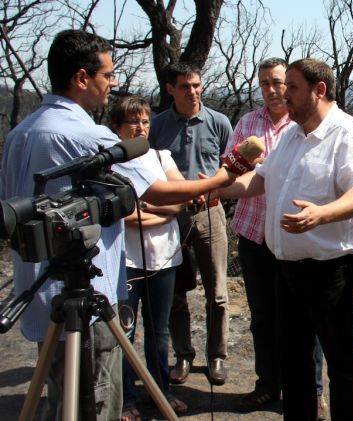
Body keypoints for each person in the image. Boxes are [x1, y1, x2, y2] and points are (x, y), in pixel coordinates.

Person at [0, 30, 235, 421]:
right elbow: (160, 192)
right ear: (81, 78)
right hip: (83, 299)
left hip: (40, 293)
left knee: (59, 395)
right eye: (106, 75)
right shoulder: (85, 135)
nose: (111, 83)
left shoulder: (20, 133)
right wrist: (224, 178)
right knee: (95, 397)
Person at [218, 58, 353, 421]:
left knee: (340, 362)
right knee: (294, 360)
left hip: (330, 271)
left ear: (319, 90)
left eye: (292, 87)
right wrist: (216, 188)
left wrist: (320, 214)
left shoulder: (349, 135)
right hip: (285, 268)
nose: (283, 95)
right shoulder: (292, 135)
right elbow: (260, 181)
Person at [228, 57, 329, 418]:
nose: (273, 90)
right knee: (262, 318)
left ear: (290, 85)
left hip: (293, 238)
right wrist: (215, 186)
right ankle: (268, 384)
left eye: (279, 82)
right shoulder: (247, 123)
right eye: (265, 84)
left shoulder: (303, 123)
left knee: (305, 319)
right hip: (255, 236)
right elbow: (233, 170)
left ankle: (312, 391)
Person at [148, 62, 233, 386]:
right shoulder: (156, 127)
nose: (193, 91)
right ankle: (183, 355)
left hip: (210, 212)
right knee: (175, 291)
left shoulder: (219, 122)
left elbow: (231, 168)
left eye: (196, 85)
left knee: (218, 291)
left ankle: (217, 356)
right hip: (169, 216)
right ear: (170, 89)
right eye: (185, 86)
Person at [110, 97, 188, 420]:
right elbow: (125, 215)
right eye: (133, 123)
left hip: (164, 258)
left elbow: (181, 196)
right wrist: (163, 209)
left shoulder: (161, 156)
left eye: (144, 121)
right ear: (117, 128)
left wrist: (148, 209)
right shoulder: (111, 164)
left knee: (159, 331)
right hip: (127, 261)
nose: (141, 127)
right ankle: (127, 398)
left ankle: (161, 391)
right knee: (125, 331)